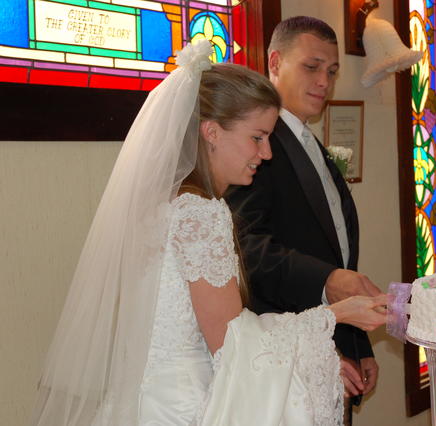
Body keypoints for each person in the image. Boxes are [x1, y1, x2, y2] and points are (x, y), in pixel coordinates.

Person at [30, 41, 387, 426]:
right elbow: (232, 345)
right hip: (185, 407)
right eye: (257, 137)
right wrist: (332, 316)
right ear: (212, 132)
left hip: (146, 400)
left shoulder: (163, 205)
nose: (266, 153)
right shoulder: (199, 214)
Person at [225, 16, 382, 405]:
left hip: (332, 348)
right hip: (282, 359)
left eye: (332, 71)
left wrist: (357, 344)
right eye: (312, 67)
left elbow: (333, 252)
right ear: (275, 63)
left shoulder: (310, 145)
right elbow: (245, 249)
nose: (324, 82)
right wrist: (326, 280)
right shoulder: (255, 148)